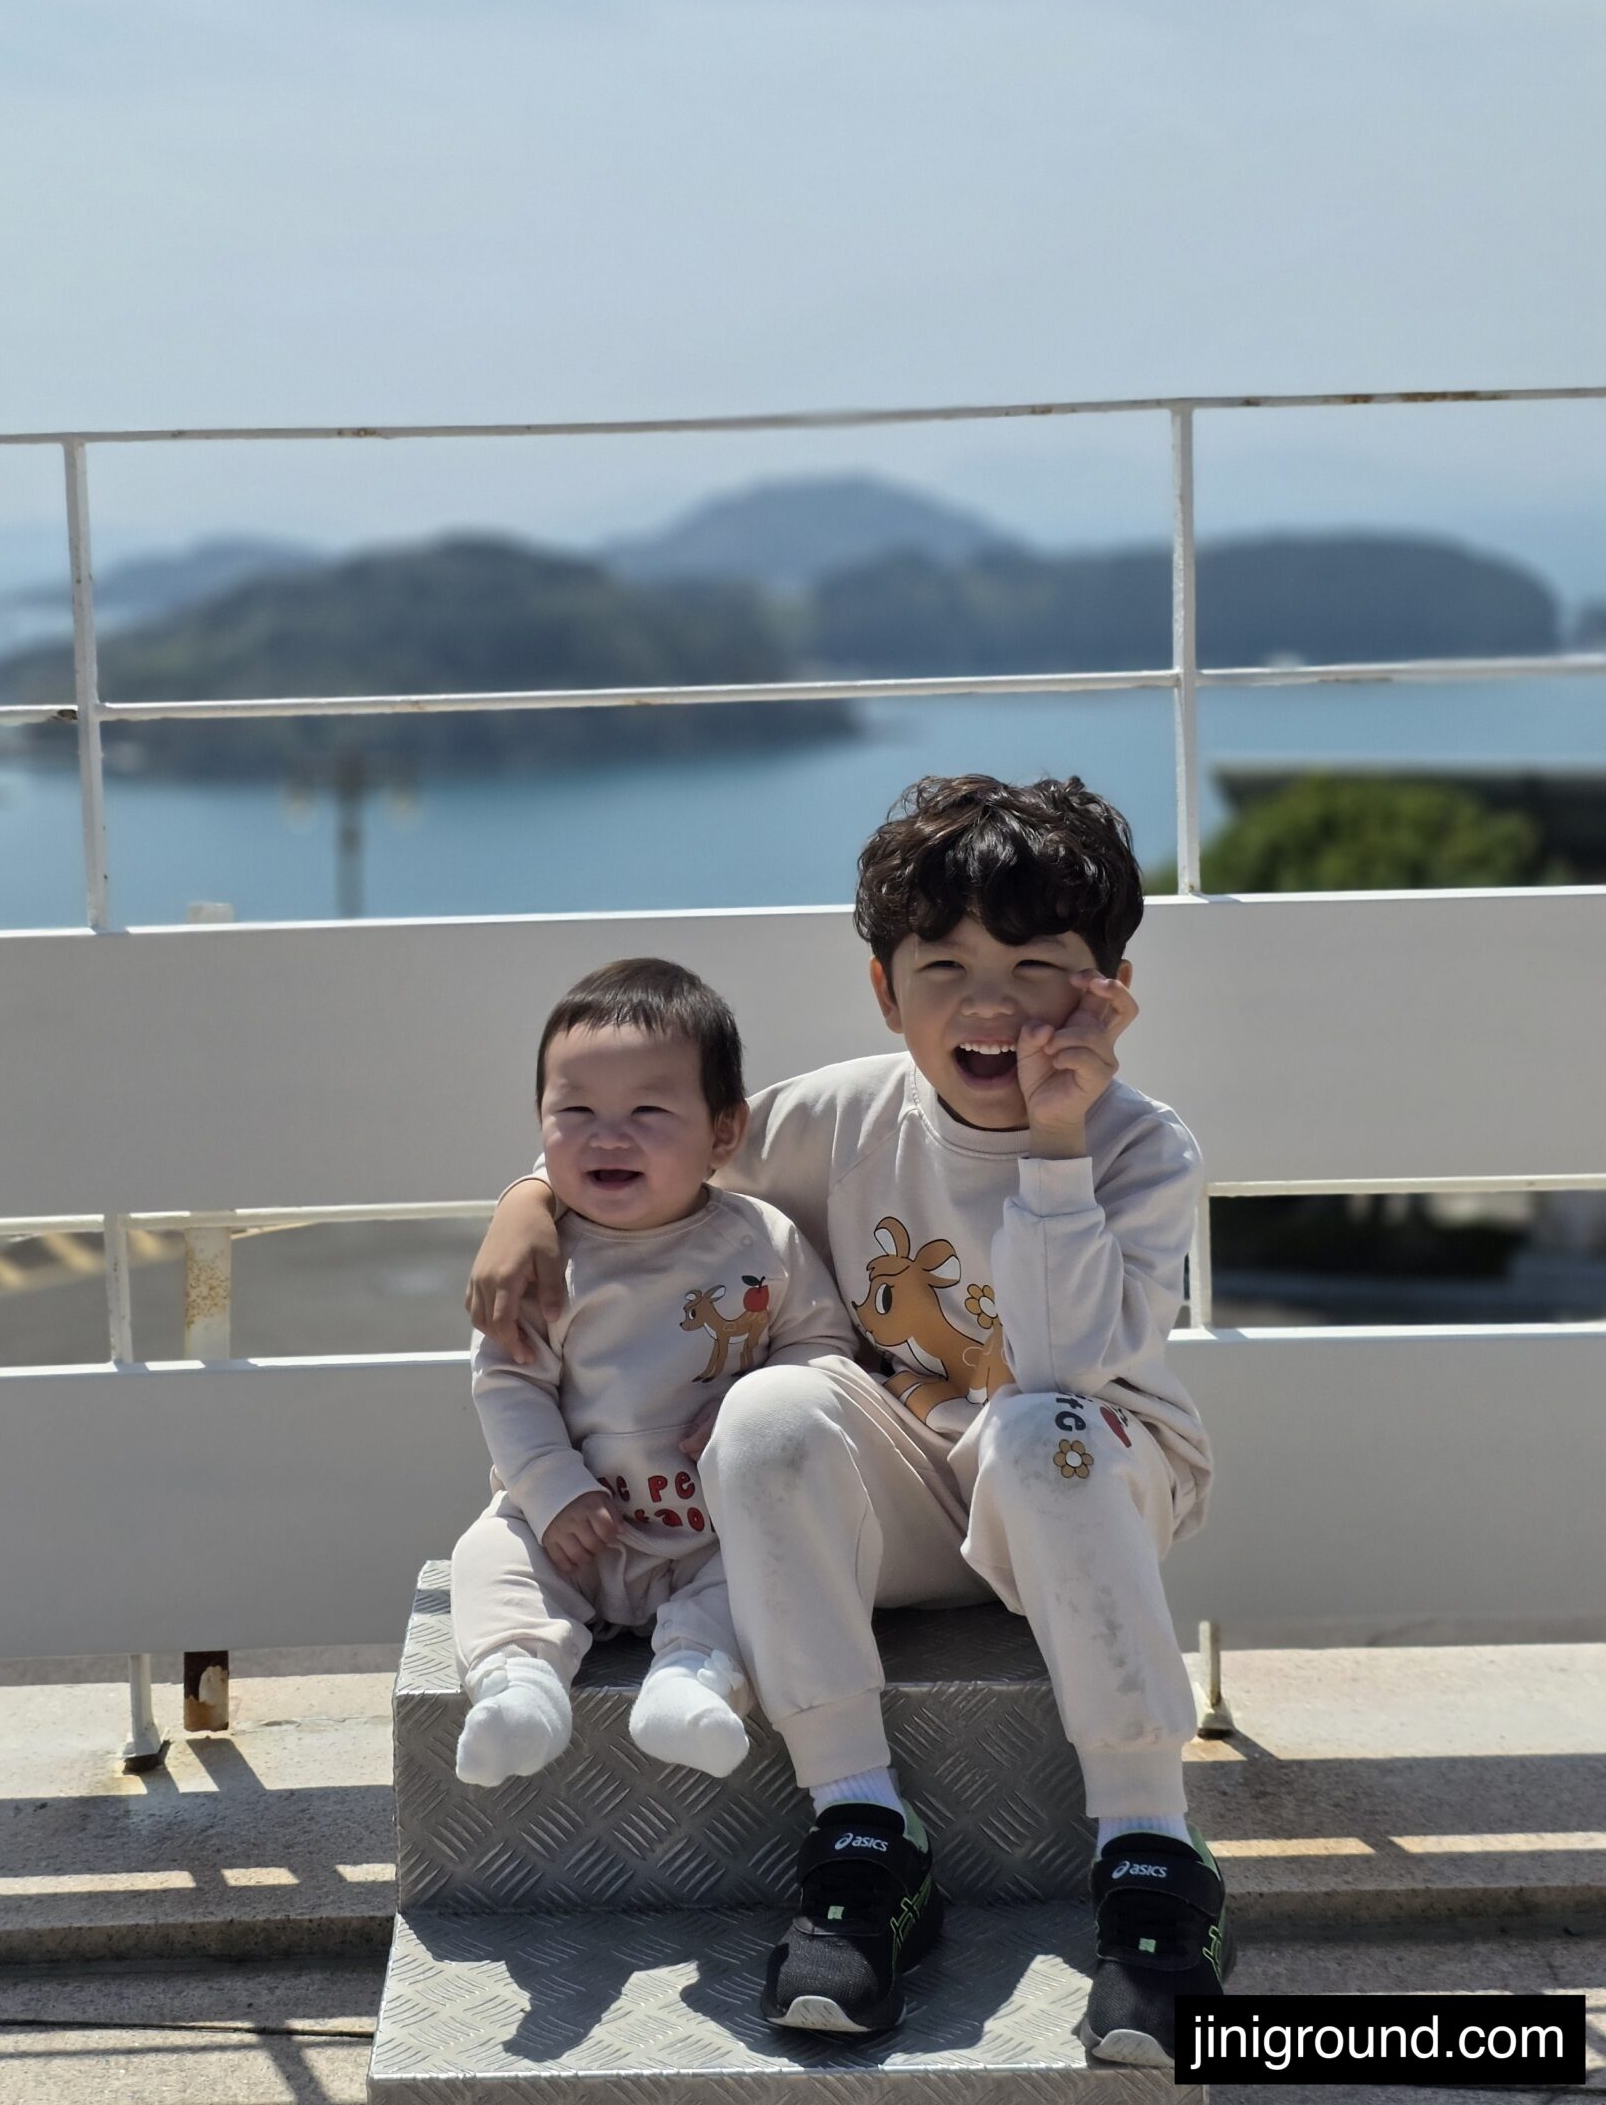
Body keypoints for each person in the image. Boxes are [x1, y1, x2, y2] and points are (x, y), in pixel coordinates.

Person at [465, 775, 1232, 2060]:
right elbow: (647, 1153)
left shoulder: (1141, 1150)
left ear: (1109, 985)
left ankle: (1150, 1849)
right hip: (910, 1495)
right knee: (767, 1407)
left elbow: (1065, 1362)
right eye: (944, 965)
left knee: (1039, 1430)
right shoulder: (836, 1115)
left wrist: (1052, 1141)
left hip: (1086, 1480)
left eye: (1038, 964)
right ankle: (864, 1826)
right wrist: (528, 1203)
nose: (990, 1004)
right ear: (886, 990)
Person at [449, 954, 852, 1793]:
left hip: (709, 1531)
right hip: (571, 1530)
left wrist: (758, 1395)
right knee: (489, 1553)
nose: (608, 1135)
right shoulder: (549, 1256)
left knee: (763, 1574)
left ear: (723, 1132)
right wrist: (552, 1488)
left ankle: (695, 1678)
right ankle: (519, 1686)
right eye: (576, 1110)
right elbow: (507, 1383)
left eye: (648, 1111)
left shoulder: (760, 1240)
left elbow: (822, 1345)